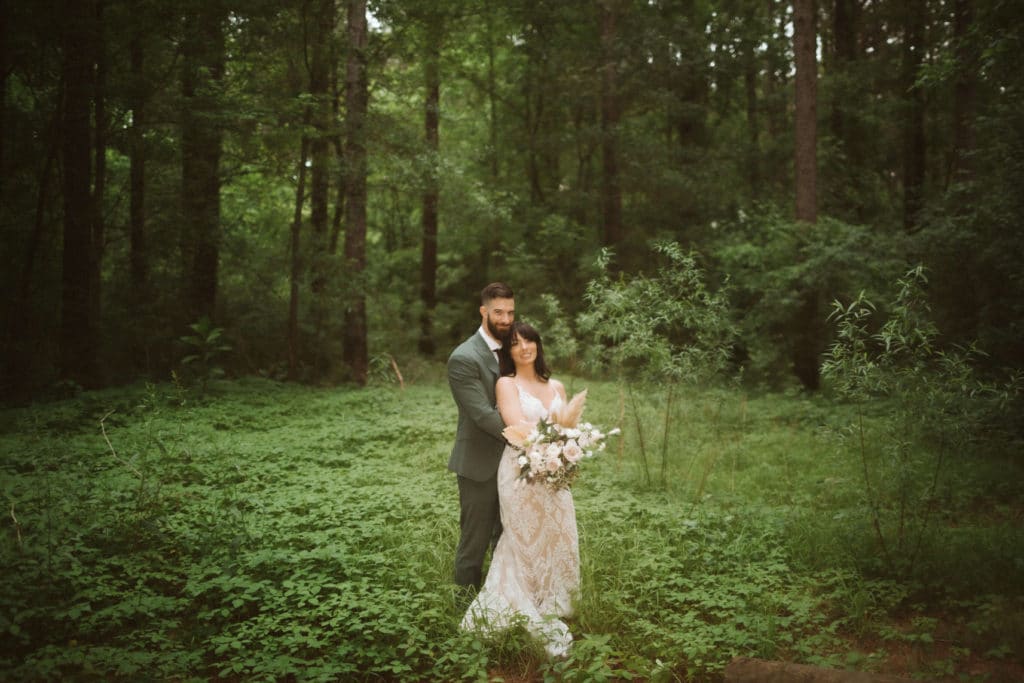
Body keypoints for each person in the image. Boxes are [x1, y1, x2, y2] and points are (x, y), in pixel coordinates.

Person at [460, 321, 580, 658]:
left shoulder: (556, 385)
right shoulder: (506, 384)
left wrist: (567, 452)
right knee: (522, 535)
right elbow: (516, 425)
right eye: (516, 343)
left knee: (557, 531)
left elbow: (566, 427)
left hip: (555, 471)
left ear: (538, 345)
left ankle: (554, 598)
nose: (524, 347)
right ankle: (520, 598)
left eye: (529, 340)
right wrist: (555, 444)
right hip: (520, 470)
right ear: (509, 351)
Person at [447, 283, 516, 590]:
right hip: (479, 464)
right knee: (474, 540)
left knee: (509, 536)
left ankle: (500, 598)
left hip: (515, 463)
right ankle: (464, 605)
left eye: (510, 312)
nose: (505, 319)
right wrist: (532, 438)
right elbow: (484, 415)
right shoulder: (463, 357)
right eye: (498, 312)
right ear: (483, 311)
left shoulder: (515, 348)